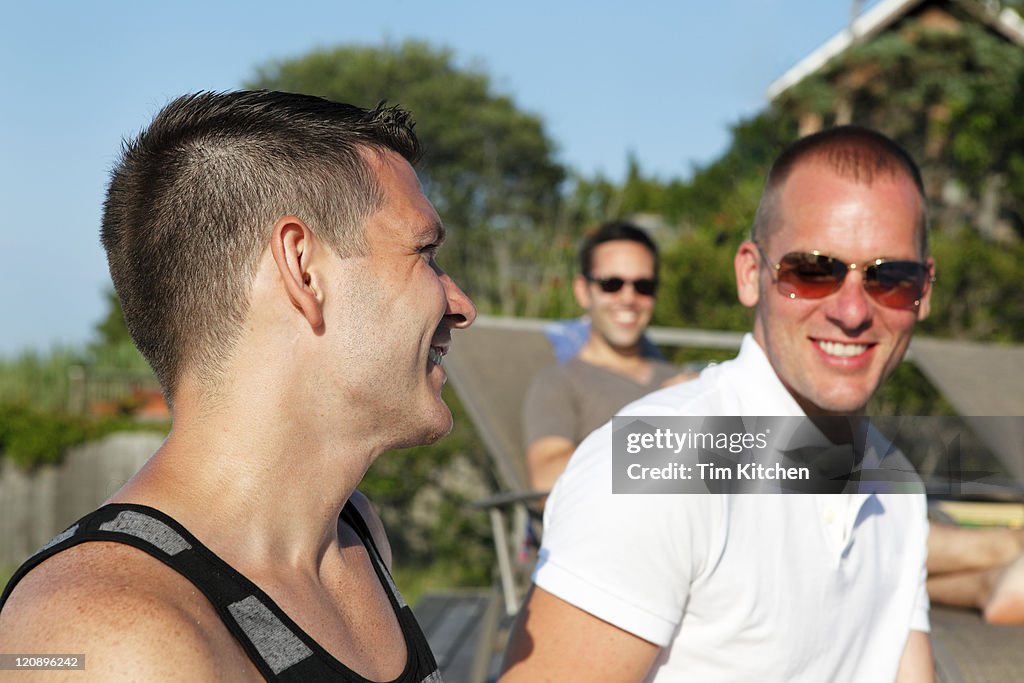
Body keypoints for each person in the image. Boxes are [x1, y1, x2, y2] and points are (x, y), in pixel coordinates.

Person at [0, 91, 475, 681]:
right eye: (424, 252)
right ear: (302, 268)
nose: (461, 305)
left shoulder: (353, 534)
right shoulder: (108, 636)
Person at [502, 126, 937, 682]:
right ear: (750, 274)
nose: (852, 311)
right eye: (812, 271)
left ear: (925, 290)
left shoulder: (897, 488)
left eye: (891, 278)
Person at [523, 221, 693, 494]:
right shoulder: (560, 382)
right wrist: (654, 421)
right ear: (583, 291)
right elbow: (544, 483)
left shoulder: (679, 378)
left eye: (644, 286)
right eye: (611, 284)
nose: (628, 298)